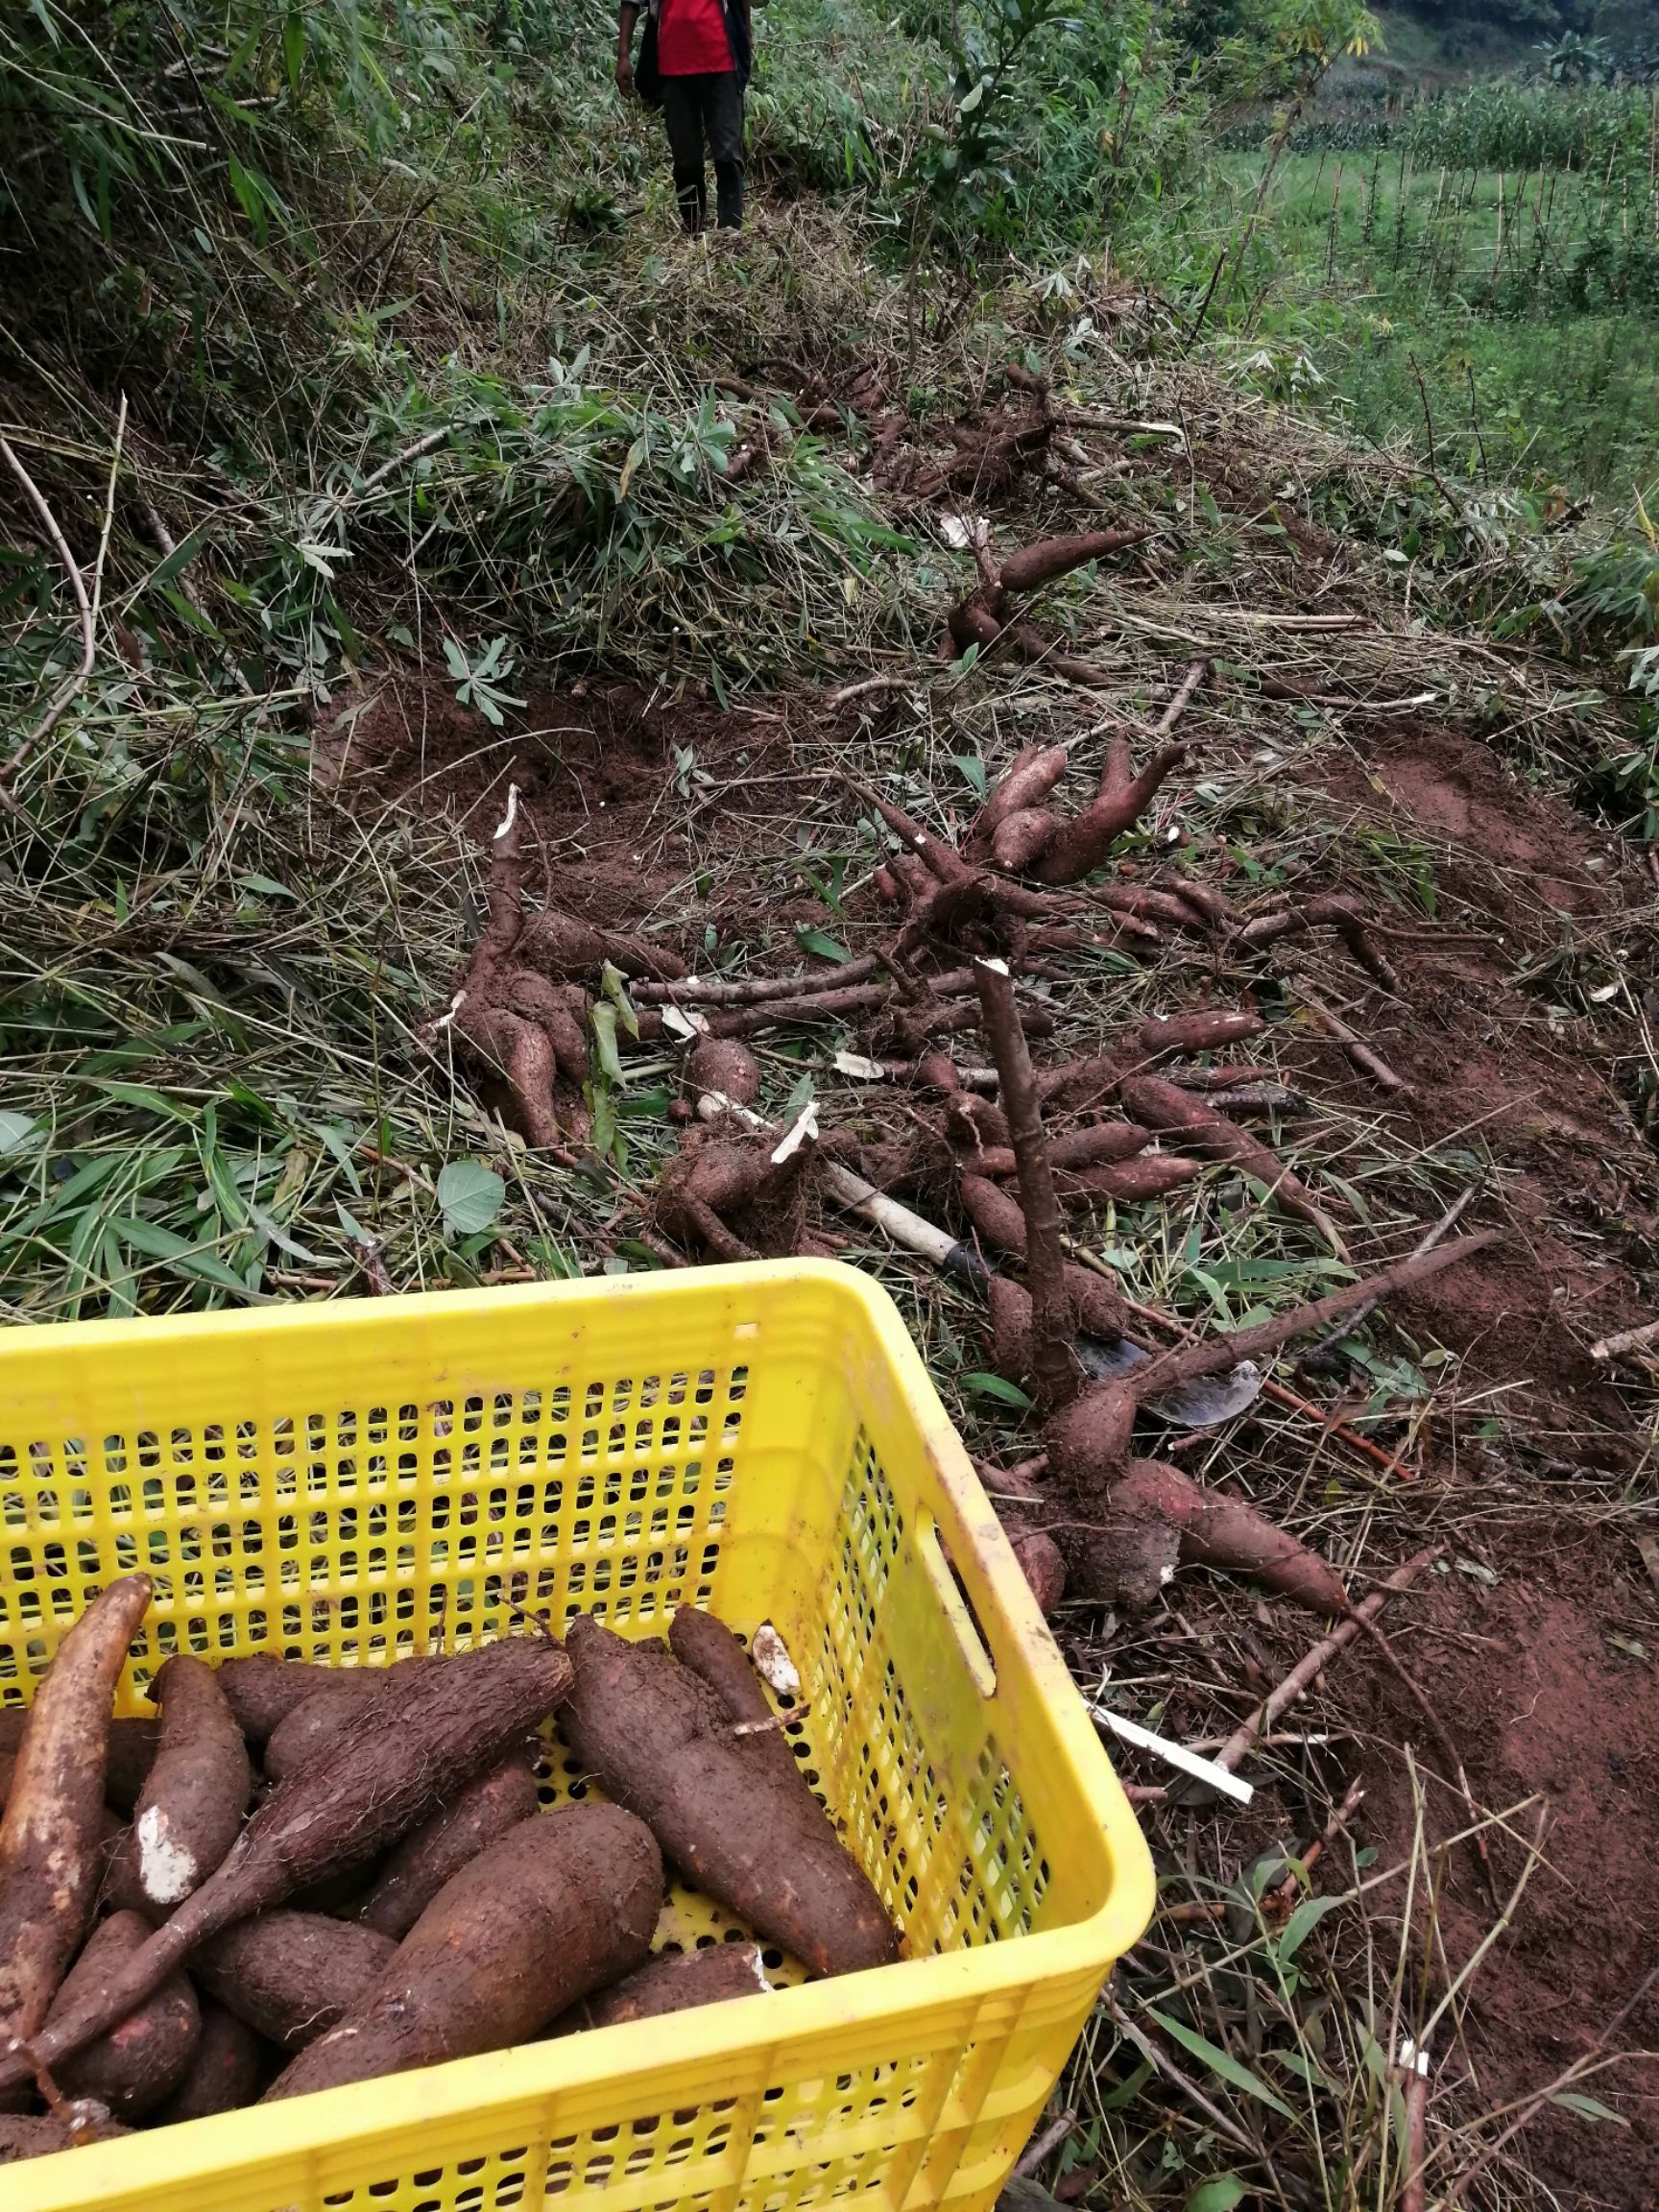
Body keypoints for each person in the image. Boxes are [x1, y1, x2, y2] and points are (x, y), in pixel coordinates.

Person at [616, 0, 752, 235]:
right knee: (686, 160)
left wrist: (745, 42)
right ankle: (693, 232)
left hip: (723, 61)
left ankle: (730, 238)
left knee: (728, 155)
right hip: (673, 64)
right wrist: (623, 55)